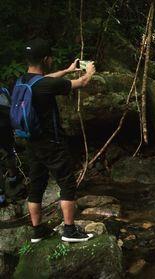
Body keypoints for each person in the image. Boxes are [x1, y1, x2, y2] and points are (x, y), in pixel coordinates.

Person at [21, 38, 96, 243]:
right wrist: (88, 71)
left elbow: (46, 80)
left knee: (36, 185)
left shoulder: (22, 81)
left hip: (31, 143)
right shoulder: (45, 84)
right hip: (51, 142)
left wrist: (68, 69)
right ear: (46, 59)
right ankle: (69, 231)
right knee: (67, 182)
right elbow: (82, 83)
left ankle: (38, 231)